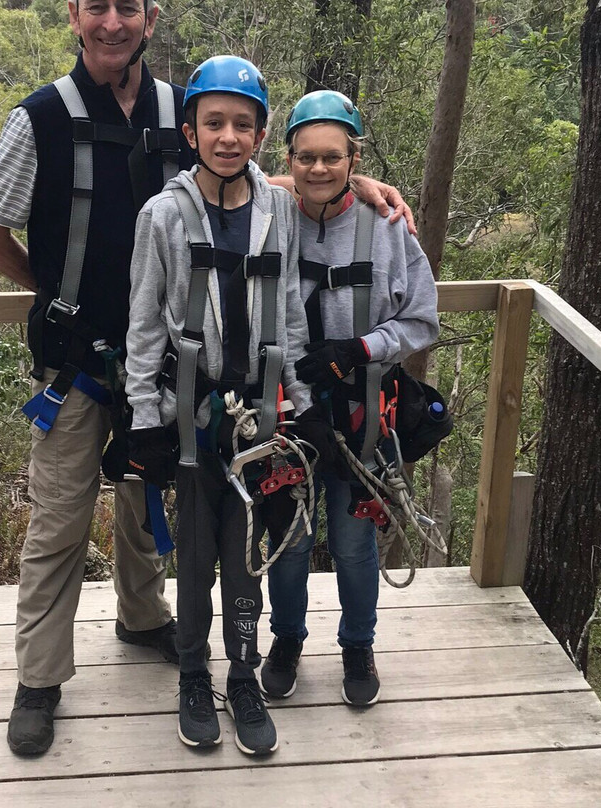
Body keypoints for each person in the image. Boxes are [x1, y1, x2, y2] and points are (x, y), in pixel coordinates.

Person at [0, 0, 414, 760]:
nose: (113, 22)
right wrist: (55, 295)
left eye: (128, 7)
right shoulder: (38, 117)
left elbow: (244, 175)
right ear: (74, 15)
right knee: (60, 523)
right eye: (97, 6)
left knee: (147, 510)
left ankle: (144, 620)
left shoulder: (183, 107)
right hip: (81, 356)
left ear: (150, 17)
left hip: (181, 371)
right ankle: (39, 680)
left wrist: (350, 185)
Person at [123, 56, 339, 757]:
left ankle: (241, 675)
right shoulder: (163, 215)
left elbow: (291, 314)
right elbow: (145, 325)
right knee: (194, 559)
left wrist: (303, 404)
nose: (227, 136)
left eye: (242, 124)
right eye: (213, 122)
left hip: (263, 415)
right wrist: (145, 420)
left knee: (247, 556)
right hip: (191, 414)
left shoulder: (276, 208)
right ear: (189, 130)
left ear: (261, 134)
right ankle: (194, 675)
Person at [260, 90, 440, 707]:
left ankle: (357, 646)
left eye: (333, 158)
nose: (318, 169)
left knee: (354, 542)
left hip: (363, 409)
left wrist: (360, 349)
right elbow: (234, 175)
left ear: (352, 157)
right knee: (287, 536)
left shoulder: (388, 231)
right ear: (290, 157)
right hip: (287, 410)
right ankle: (286, 640)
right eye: (305, 157)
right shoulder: (270, 214)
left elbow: (421, 321)